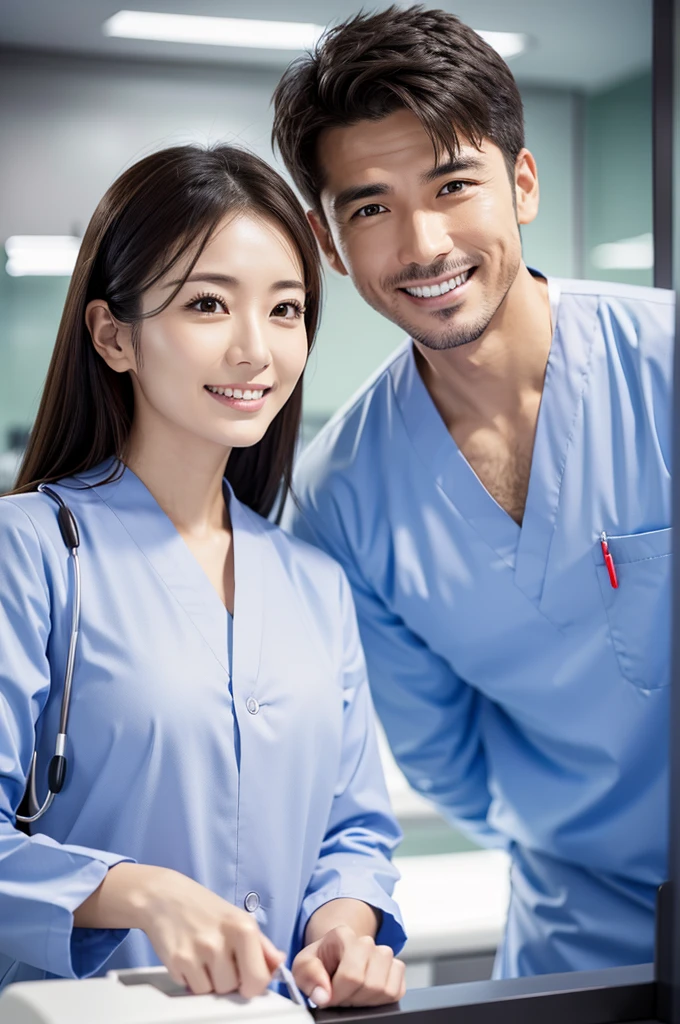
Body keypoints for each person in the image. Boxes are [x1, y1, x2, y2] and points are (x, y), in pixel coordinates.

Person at [273, 4, 673, 978]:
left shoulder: (662, 365)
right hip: (580, 926)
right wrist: (576, 833)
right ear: (330, 246)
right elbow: (441, 757)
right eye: (368, 207)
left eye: (453, 184)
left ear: (521, 183)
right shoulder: (339, 498)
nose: (421, 243)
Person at [0, 144, 407, 1006]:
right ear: (114, 336)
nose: (256, 349)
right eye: (208, 304)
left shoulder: (312, 582)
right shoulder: (28, 551)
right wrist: (144, 892)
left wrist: (344, 932)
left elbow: (354, 829)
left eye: (287, 309)